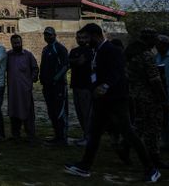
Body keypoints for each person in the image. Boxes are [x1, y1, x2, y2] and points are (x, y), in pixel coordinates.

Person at [65, 23, 160, 182]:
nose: (86, 41)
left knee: (128, 133)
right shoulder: (97, 51)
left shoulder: (111, 50)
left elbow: (118, 71)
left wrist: (105, 85)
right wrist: (95, 87)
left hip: (116, 99)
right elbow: (96, 72)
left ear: (96, 35)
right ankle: (84, 167)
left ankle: (151, 169)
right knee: (94, 134)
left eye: (88, 38)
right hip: (102, 100)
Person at [125, 29, 168, 169]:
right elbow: (155, 80)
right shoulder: (147, 55)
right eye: (155, 39)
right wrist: (164, 100)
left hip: (135, 95)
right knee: (153, 127)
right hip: (149, 97)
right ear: (150, 40)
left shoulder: (131, 53)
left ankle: (124, 147)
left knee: (139, 125)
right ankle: (154, 157)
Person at [6, 34, 39, 141]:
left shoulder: (28, 55)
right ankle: (16, 134)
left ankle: (30, 134)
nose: (16, 45)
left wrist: (31, 80)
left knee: (28, 111)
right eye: (14, 43)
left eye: (18, 43)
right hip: (13, 91)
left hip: (25, 90)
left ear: (21, 43)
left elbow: (35, 68)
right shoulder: (8, 56)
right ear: (11, 44)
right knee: (14, 111)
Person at [40, 26, 69, 145]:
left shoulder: (60, 48)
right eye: (46, 35)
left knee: (60, 111)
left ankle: (62, 137)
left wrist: (56, 78)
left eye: (50, 35)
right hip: (47, 86)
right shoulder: (45, 49)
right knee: (51, 111)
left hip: (58, 86)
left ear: (55, 35)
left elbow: (66, 65)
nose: (48, 37)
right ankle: (57, 135)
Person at [69, 30, 93, 144]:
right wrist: (75, 61)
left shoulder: (90, 51)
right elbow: (69, 62)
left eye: (84, 37)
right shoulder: (74, 51)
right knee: (79, 112)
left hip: (85, 86)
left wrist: (75, 61)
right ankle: (85, 135)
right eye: (79, 37)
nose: (81, 40)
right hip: (75, 85)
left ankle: (88, 137)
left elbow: (80, 62)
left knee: (86, 113)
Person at [156, 35, 169, 152]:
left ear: (166, 45)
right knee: (164, 119)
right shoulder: (157, 57)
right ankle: (166, 143)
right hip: (162, 92)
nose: (157, 46)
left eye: (159, 44)